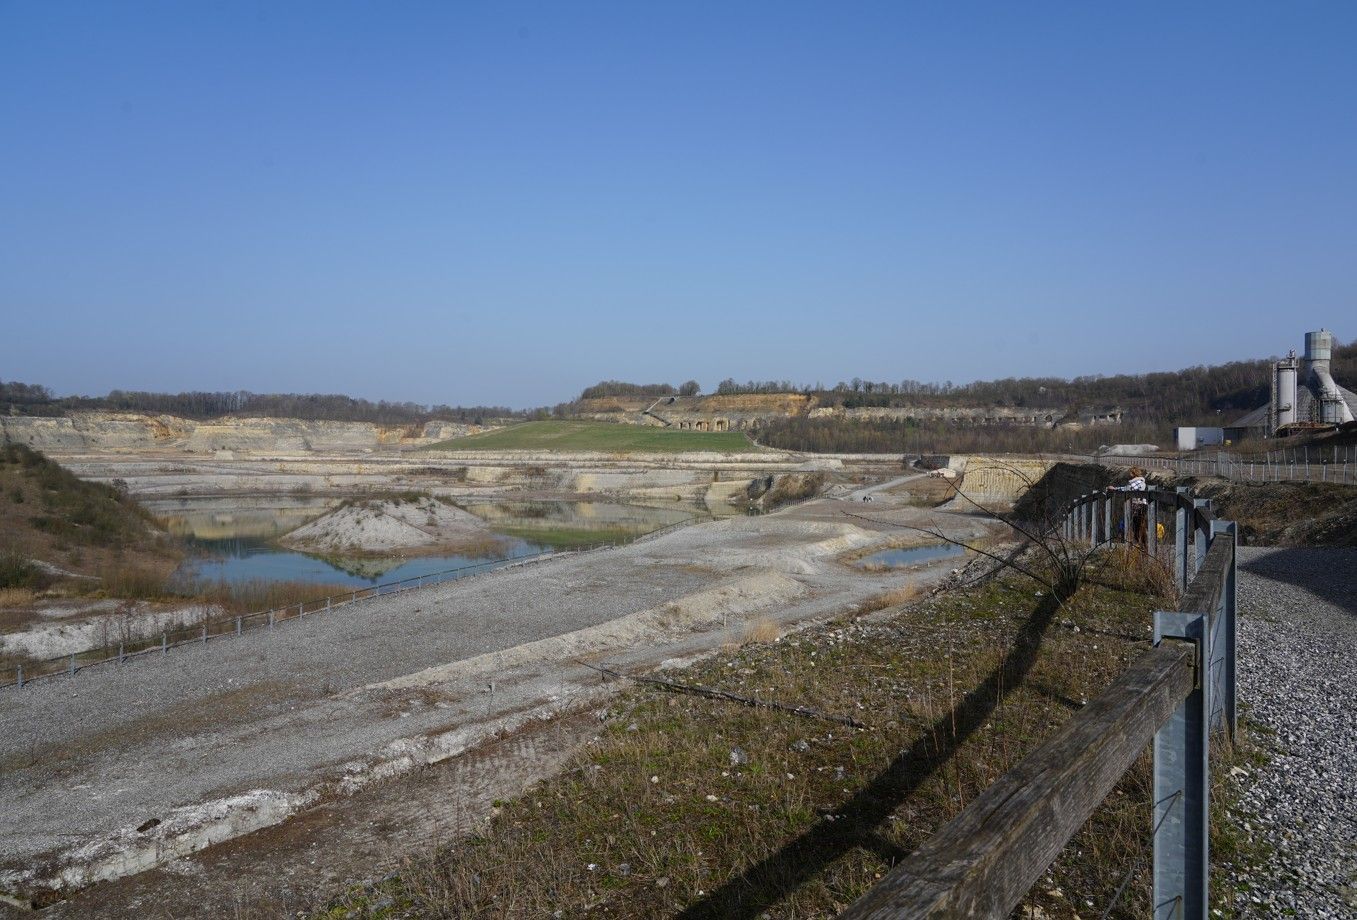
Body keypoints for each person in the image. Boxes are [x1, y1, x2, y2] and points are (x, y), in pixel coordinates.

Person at [1108, 466, 1149, 546]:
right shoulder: (1137, 482)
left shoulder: (1138, 482)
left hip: (1139, 506)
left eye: (1130, 472)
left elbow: (1128, 489)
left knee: (1138, 525)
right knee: (1137, 525)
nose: (1129, 474)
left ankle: (1142, 543)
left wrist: (1115, 489)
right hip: (1138, 506)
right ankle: (1141, 543)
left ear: (1133, 473)